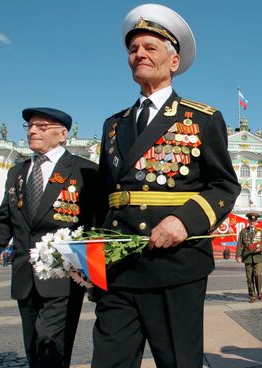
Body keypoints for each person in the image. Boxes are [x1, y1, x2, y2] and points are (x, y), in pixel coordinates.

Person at [92, 4, 240, 367]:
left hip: (174, 265)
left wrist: (184, 221)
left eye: (150, 47)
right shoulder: (114, 125)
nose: (139, 54)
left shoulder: (201, 118)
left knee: (178, 360)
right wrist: (91, 256)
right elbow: (102, 198)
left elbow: (223, 185)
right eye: (133, 49)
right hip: (119, 266)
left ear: (173, 62)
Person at [0, 107, 97, 368]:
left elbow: (96, 223)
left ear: (63, 134)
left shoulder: (84, 171)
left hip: (63, 278)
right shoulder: (18, 172)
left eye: (42, 126)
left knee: (51, 345)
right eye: (30, 126)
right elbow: (2, 223)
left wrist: (96, 274)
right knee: (33, 345)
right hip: (25, 277)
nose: (33, 131)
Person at [236, 212, 262, 302]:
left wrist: (260, 248)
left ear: (256, 222)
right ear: (248, 221)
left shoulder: (260, 231)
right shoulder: (243, 232)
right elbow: (239, 244)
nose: (252, 222)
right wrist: (238, 256)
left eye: (254, 221)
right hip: (247, 257)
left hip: (258, 257)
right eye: (251, 220)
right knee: (249, 277)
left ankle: (259, 292)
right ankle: (252, 296)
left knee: (258, 275)